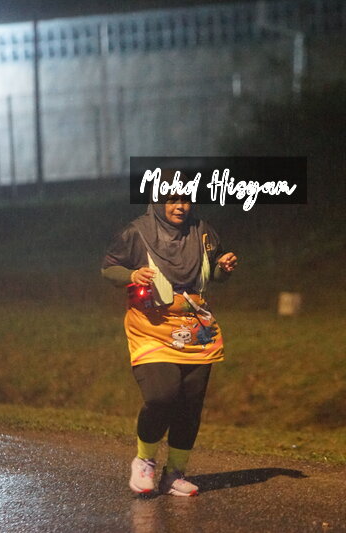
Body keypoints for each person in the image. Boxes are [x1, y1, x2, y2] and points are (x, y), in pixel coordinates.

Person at [101, 182, 238, 497]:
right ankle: (144, 460)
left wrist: (223, 267)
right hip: (151, 326)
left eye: (186, 199)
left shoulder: (202, 231)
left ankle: (174, 473)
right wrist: (132, 275)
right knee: (162, 396)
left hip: (195, 327)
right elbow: (109, 269)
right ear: (158, 201)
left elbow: (214, 273)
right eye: (172, 199)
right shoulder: (136, 232)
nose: (180, 206)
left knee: (190, 404)